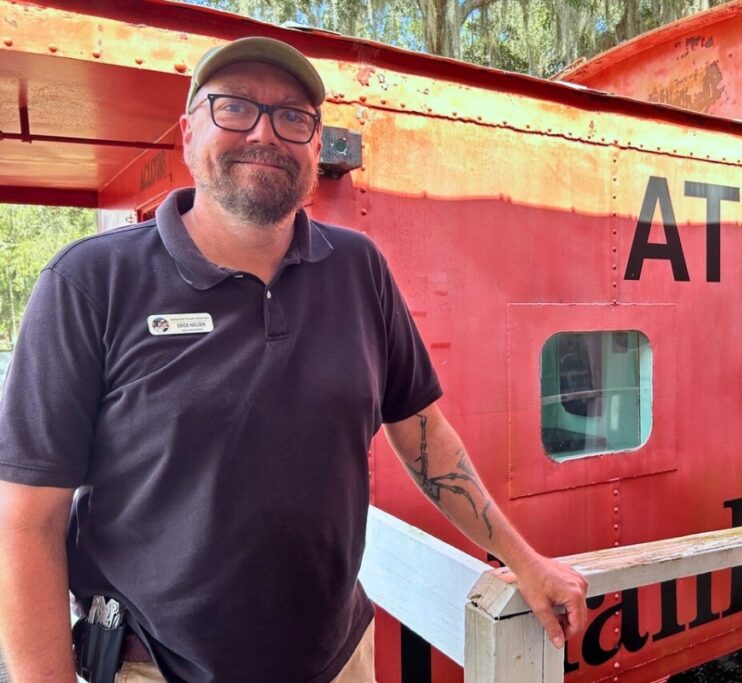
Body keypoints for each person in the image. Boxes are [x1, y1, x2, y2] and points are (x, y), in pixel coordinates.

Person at [0, 37, 587, 683]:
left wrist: (524, 560)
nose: (265, 132)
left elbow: (424, 435)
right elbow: (29, 519)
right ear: (189, 132)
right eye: (235, 108)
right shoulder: (90, 282)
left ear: (314, 146)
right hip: (155, 669)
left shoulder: (358, 267)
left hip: (337, 662)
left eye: (293, 117)